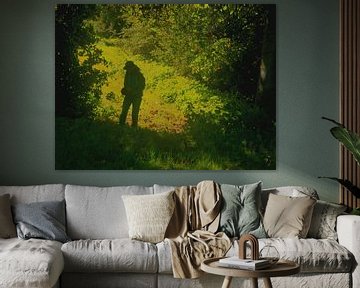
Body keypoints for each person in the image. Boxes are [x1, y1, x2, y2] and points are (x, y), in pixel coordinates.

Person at [119, 61, 145, 127]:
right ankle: (120, 125)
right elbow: (126, 84)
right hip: (128, 95)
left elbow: (142, 86)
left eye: (128, 68)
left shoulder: (139, 75)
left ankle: (134, 127)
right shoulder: (127, 74)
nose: (127, 70)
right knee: (124, 111)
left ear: (132, 67)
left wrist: (133, 91)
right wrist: (124, 90)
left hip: (137, 97)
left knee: (134, 113)